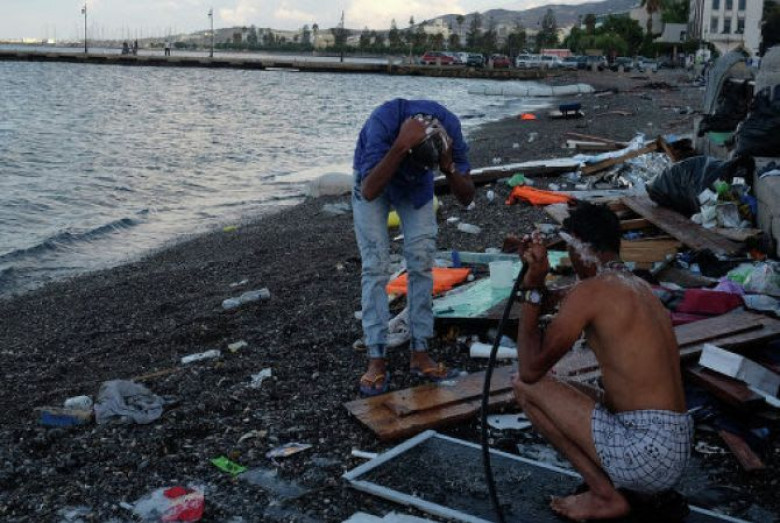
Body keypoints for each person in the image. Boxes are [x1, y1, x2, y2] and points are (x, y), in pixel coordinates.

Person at [511, 203, 692, 521]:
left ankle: (604, 495)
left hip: (646, 457)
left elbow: (530, 370)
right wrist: (534, 280)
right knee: (572, 388)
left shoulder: (591, 291)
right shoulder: (637, 286)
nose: (571, 259)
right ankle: (620, 488)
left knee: (526, 387)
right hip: (673, 448)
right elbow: (554, 299)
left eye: (570, 250)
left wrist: (533, 286)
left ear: (582, 248)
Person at [352, 99, 475, 396]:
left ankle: (420, 352)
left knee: (421, 262)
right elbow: (369, 191)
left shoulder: (450, 129)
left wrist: (448, 168)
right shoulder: (384, 121)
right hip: (376, 175)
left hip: (416, 185)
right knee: (375, 266)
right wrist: (399, 147)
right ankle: (376, 357)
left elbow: (467, 197)